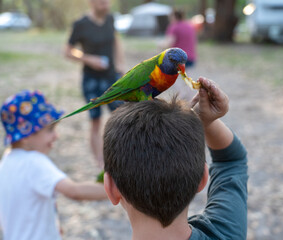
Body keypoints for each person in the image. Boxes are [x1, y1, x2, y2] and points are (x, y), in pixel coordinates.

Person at [103, 77, 248, 239]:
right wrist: (202, 122)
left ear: (110, 188)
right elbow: (232, 160)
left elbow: (232, 161)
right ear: (202, 178)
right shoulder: (226, 233)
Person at [0, 90, 108, 240]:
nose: (56, 135)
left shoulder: (6, 162)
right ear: (26, 136)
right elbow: (74, 191)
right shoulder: (34, 162)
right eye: (50, 129)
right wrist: (117, 191)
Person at [65, 0, 125, 167]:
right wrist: (88, 59)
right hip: (91, 80)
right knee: (96, 121)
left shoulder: (110, 19)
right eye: (101, 1)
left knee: (121, 116)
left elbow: (115, 41)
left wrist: (120, 65)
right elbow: (68, 51)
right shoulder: (80, 24)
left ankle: (120, 155)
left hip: (112, 78)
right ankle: (100, 162)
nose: (105, 3)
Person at [160, 9, 198, 102]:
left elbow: (169, 42)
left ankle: (181, 96)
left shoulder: (174, 27)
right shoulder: (189, 26)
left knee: (174, 78)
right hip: (191, 56)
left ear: (174, 16)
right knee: (188, 79)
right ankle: (189, 99)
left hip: (178, 58)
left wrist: (160, 44)